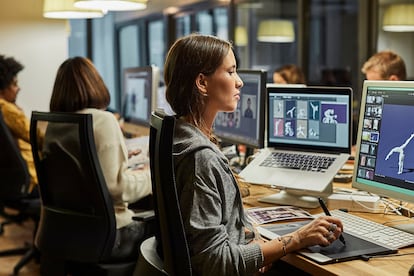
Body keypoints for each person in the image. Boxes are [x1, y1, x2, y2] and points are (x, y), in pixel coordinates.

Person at [164, 33, 344, 275]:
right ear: (202, 83)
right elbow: (215, 262)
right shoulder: (201, 158)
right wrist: (295, 239)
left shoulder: (177, 134)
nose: (239, 82)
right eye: (230, 72)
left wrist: (254, 246)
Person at [48, 56, 152, 260]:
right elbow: (118, 189)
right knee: (172, 231)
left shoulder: (56, 124)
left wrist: (122, 157)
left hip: (71, 232)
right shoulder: (103, 120)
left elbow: (84, 166)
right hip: (111, 235)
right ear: (95, 84)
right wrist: (153, 175)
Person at [0, 55, 39, 195]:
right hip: (33, 177)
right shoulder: (7, 109)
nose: (18, 88)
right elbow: (38, 138)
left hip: (11, 180)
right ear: (2, 89)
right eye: (14, 84)